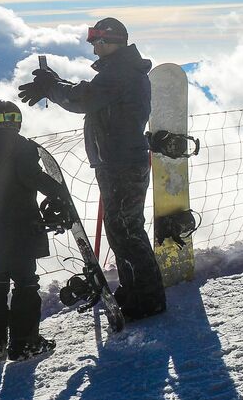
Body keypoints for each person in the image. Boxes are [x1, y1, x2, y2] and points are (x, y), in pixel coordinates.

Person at [17, 18, 166, 320]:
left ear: (115, 41)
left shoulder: (120, 71)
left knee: (125, 230)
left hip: (121, 162)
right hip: (118, 159)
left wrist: (51, 86)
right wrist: (54, 84)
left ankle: (147, 300)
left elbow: (84, 99)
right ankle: (136, 291)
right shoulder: (121, 70)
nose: (95, 49)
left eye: (99, 42)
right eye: (93, 42)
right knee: (123, 229)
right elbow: (90, 95)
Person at [0, 100, 65, 361]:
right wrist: (59, 193)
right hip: (19, 229)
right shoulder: (21, 146)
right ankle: (25, 343)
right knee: (25, 283)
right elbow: (32, 176)